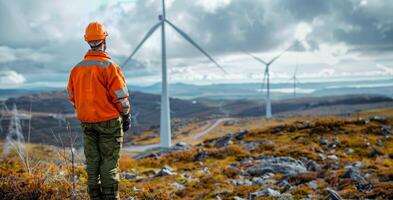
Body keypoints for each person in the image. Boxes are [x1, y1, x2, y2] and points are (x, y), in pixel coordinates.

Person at [67, 21, 131, 200]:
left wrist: (86, 110)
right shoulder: (110, 67)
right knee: (109, 164)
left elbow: (73, 96)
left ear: (87, 41)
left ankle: (94, 197)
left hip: (87, 123)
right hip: (109, 122)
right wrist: (126, 115)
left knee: (93, 164)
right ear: (104, 41)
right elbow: (120, 96)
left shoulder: (77, 69)